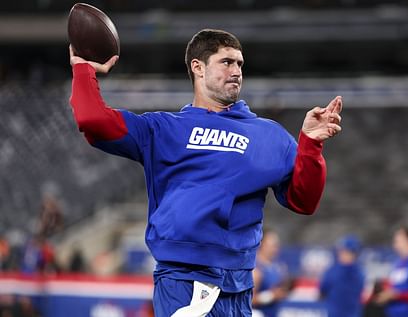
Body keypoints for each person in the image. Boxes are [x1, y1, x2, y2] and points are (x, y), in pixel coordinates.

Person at [69, 28, 343, 316]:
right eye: (226, 62)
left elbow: (304, 200)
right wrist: (84, 68)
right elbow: (93, 120)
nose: (236, 70)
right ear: (197, 68)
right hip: (185, 282)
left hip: (240, 288)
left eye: (240, 63)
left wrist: (310, 145)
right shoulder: (162, 129)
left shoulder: (269, 135)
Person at [320, 235, 364, 317]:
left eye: (347, 252)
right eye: (341, 251)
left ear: (354, 254)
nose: (342, 254)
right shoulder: (332, 269)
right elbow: (323, 290)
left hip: (351, 313)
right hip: (333, 313)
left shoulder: (357, 271)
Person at [252, 229, 289, 316]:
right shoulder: (255, 268)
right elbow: (249, 300)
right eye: (272, 245)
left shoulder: (279, 266)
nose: (275, 249)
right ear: (262, 244)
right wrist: (270, 296)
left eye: (276, 245)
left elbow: (283, 289)